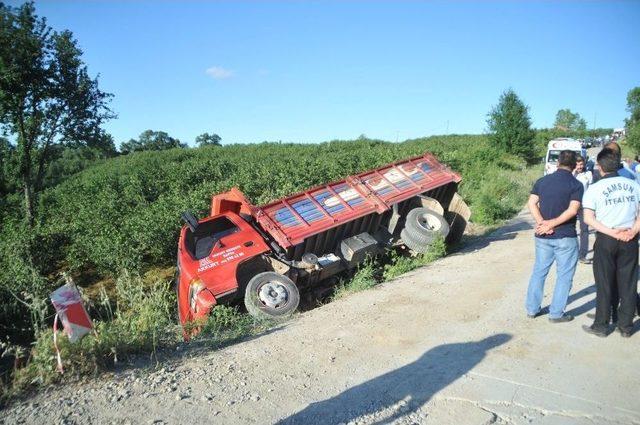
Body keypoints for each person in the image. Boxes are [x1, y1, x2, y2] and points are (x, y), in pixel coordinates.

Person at [582, 148, 640, 338]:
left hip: (607, 238)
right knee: (629, 283)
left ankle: (601, 324)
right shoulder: (633, 185)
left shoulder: (595, 188)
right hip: (630, 239)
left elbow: (588, 219)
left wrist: (611, 232)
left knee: (604, 282)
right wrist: (632, 231)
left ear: (599, 167)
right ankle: (625, 326)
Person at [526, 150, 583, 323]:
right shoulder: (576, 185)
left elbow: (531, 203)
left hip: (543, 236)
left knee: (539, 272)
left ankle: (532, 309)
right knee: (564, 275)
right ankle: (556, 314)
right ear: (574, 166)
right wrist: (550, 224)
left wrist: (542, 223)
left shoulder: (542, 181)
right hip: (565, 235)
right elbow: (573, 210)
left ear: (557, 163)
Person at [573, 156, 593, 264]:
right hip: (571, 204)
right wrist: (573, 172)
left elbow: (591, 190)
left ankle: (582, 255)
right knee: (570, 229)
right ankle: (572, 252)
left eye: (581, 164)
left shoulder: (588, 174)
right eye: (577, 164)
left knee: (584, 230)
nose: (580, 167)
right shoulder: (570, 174)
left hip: (583, 205)